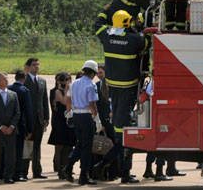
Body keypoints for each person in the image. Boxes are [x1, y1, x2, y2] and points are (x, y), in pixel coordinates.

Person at [95, 10, 147, 184]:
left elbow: (97, 26)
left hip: (113, 87)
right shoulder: (134, 39)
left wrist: (104, 13)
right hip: (128, 87)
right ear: (127, 22)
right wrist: (137, 27)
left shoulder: (107, 36)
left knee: (119, 125)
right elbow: (145, 41)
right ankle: (119, 169)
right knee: (123, 134)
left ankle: (116, 160)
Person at [63, 60, 100, 185]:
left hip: (76, 116)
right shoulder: (91, 85)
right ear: (93, 72)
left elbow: (68, 99)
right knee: (86, 147)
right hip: (86, 117)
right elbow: (92, 104)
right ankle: (83, 175)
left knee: (80, 144)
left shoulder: (74, 83)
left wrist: (69, 113)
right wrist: (97, 119)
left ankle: (68, 166)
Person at [0, 73, 20, 184]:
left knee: (10, 155)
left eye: (6, 78)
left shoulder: (13, 94)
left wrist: (11, 126)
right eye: (3, 79)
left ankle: (8, 176)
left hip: (11, 130)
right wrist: (1, 126)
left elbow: (17, 112)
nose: (6, 80)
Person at [23, 58, 49, 179]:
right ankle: (23, 172)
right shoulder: (24, 80)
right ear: (28, 67)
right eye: (34, 65)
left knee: (37, 146)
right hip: (28, 119)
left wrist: (46, 118)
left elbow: (45, 100)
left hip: (39, 119)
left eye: (38, 65)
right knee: (27, 145)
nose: (36, 67)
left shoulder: (42, 81)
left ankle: (37, 171)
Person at [48, 72, 75, 179]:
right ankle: (60, 171)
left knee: (68, 147)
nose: (66, 83)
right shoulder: (56, 91)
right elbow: (65, 102)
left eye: (68, 80)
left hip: (68, 122)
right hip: (59, 122)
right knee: (59, 148)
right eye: (64, 80)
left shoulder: (70, 91)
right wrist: (67, 89)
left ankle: (66, 169)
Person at [8, 70, 34, 182]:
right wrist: (30, 128)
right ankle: (17, 174)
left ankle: (6, 172)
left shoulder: (9, 88)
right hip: (20, 124)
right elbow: (28, 111)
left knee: (8, 150)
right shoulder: (24, 90)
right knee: (18, 150)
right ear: (24, 78)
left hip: (8, 123)